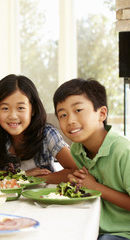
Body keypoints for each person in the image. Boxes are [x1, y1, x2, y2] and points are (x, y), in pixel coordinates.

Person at [53, 78, 130, 240]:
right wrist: (79, 185)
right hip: (92, 227)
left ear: (101, 114)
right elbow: (88, 188)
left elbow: (94, 187)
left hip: (122, 233)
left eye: (78, 110)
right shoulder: (77, 150)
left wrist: (95, 187)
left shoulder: (123, 151)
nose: (70, 120)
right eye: (63, 115)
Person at [0, 74, 77, 183]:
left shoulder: (47, 133)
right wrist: (20, 175)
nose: (12, 116)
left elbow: (75, 171)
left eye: (21, 108)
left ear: (33, 110)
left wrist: (34, 178)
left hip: (41, 196)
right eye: (5, 108)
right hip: (5, 198)